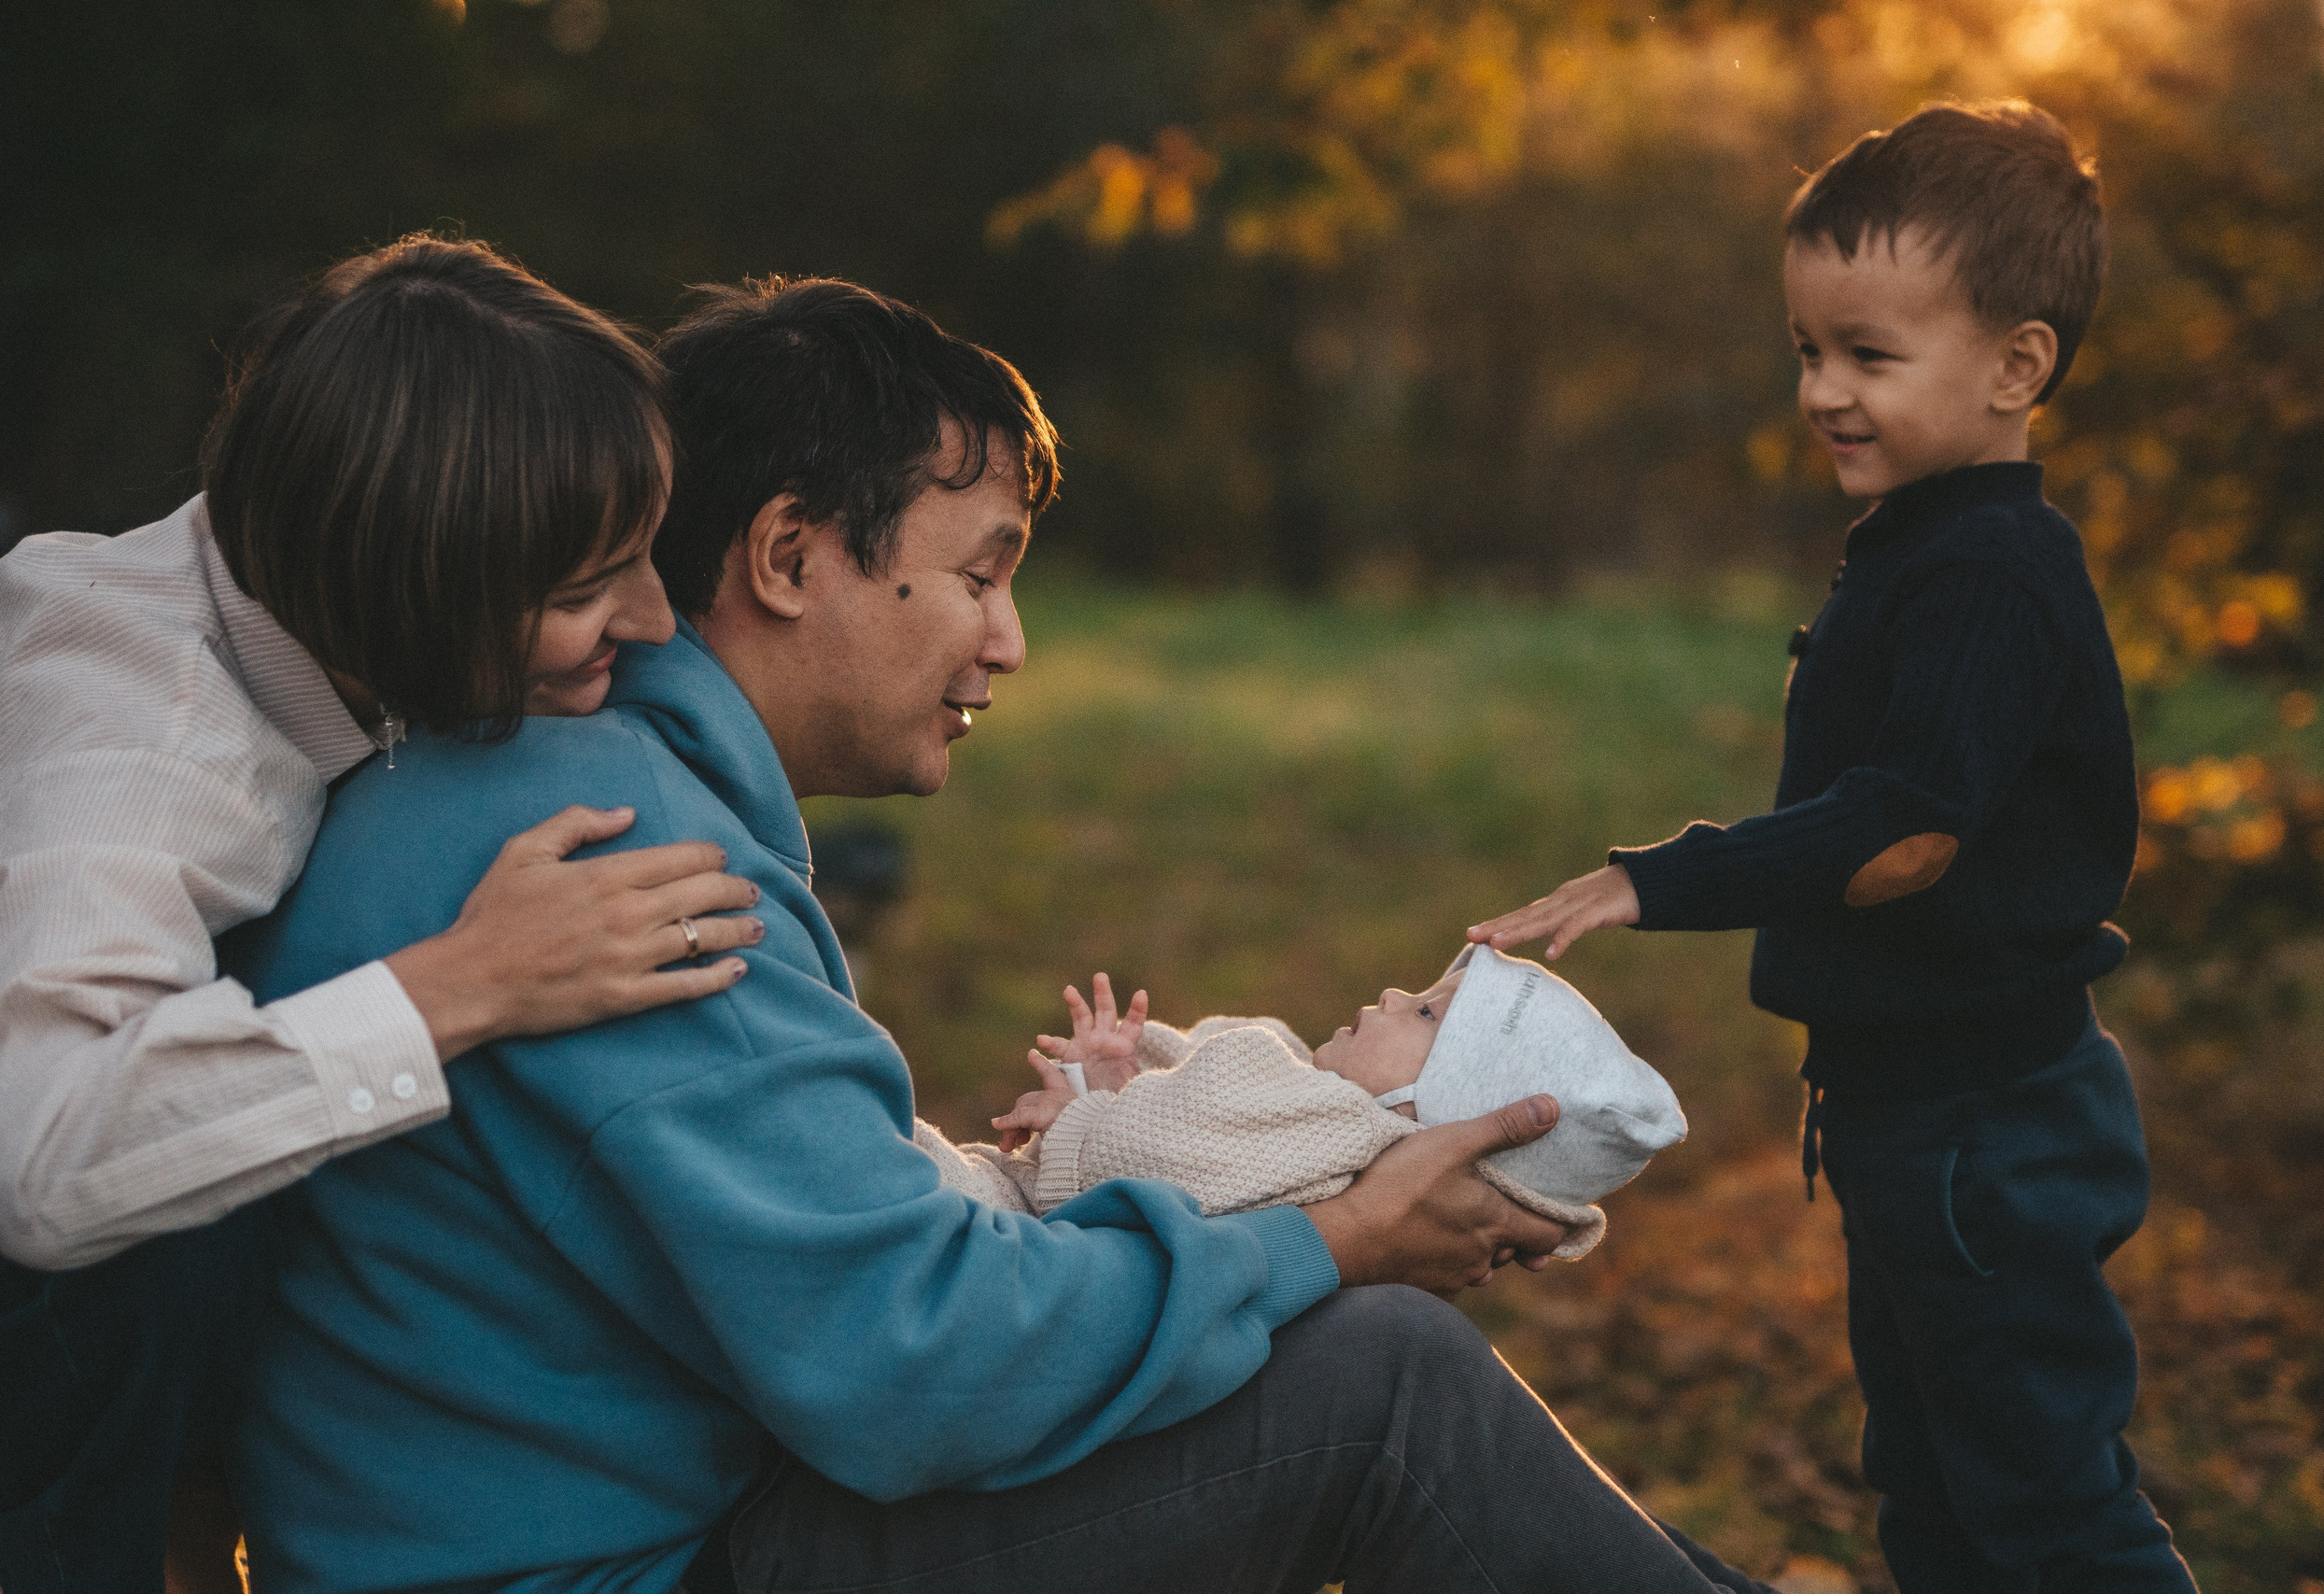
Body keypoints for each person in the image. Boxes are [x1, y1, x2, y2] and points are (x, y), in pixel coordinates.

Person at [218, 275, 1773, 1594]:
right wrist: (1331, 1238)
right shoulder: (622, 866)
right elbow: (916, 1365)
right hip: (616, 1565)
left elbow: (838, 1259)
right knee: (1385, 1388)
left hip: (633, 1513)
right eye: (980, 574)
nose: (1010, 641)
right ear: (787, 556)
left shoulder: (567, 784)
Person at [1470, 103, 2197, 1592]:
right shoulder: (1926, 551)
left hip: (1986, 1130)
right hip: (1911, 1113)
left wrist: (1653, 877)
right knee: (1933, 1484)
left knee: (2046, 1498)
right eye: (1810, 350)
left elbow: (1906, 836)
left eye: (1871, 355)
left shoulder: (1992, 570)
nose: (1825, 391)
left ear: (2017, 367)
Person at [0, 236, 762, 1594]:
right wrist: (467, 984)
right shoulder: (149, 760)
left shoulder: (326, 565)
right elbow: (46, 1158)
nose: (652, 618)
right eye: (588, 587)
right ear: (425, 591)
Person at [939, 949, 1684, 1260]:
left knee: (893, 1173)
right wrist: (1121, 1083)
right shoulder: (1318, 1107)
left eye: (1426, 1015)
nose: (1395, 994)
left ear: (1430, 1110)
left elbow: (1160, 1155)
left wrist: (1089, 1115)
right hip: (1036, 1241)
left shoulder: (1339, 1126)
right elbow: (1198, 1140)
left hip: (1016, 1231)